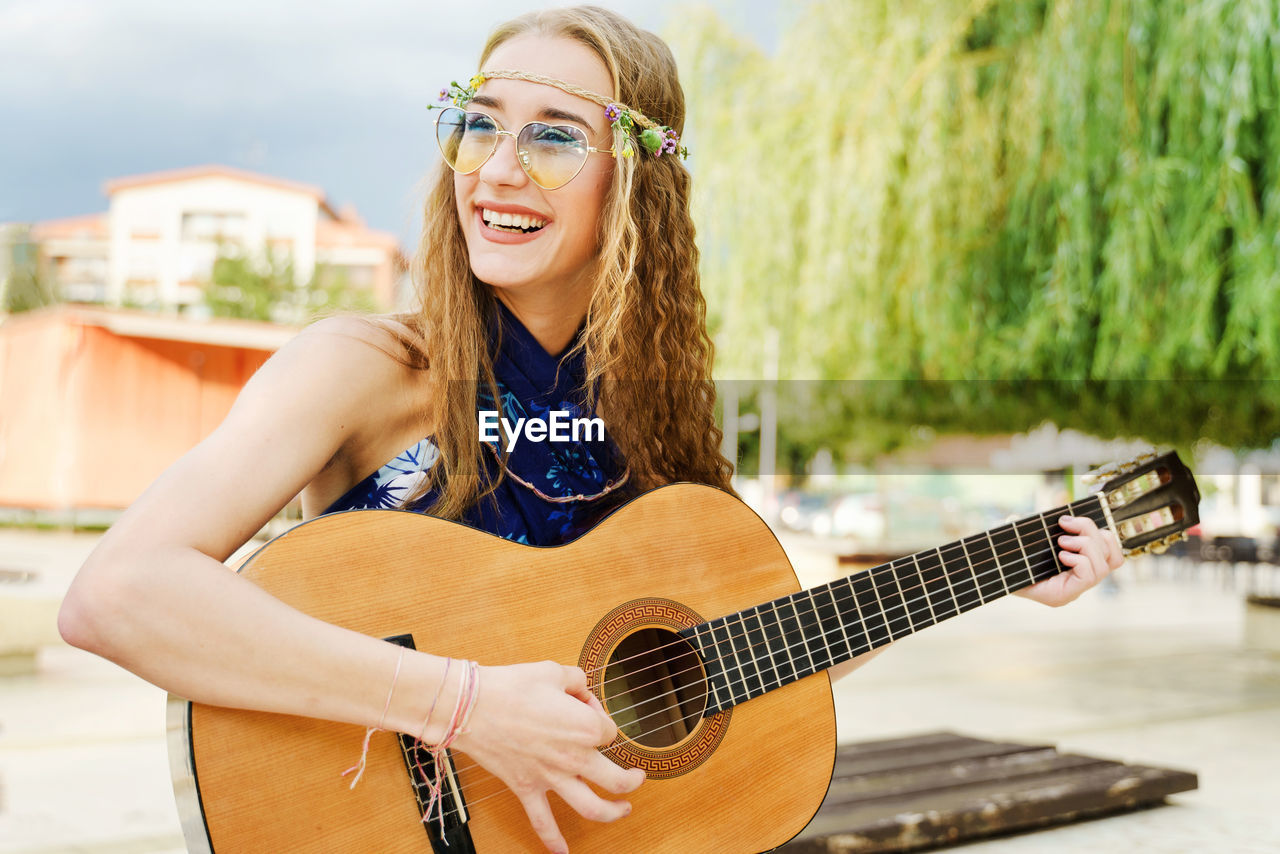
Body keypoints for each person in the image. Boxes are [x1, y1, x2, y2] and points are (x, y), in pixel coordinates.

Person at [57, 7, 1125, 854]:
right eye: (478, 121)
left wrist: (990, 572)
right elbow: (116, 595)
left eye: (553, 136)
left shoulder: (650, 408)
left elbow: (729, 665)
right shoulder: (366, 367)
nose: (497, 167)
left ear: (635, 182)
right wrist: (464, 703)